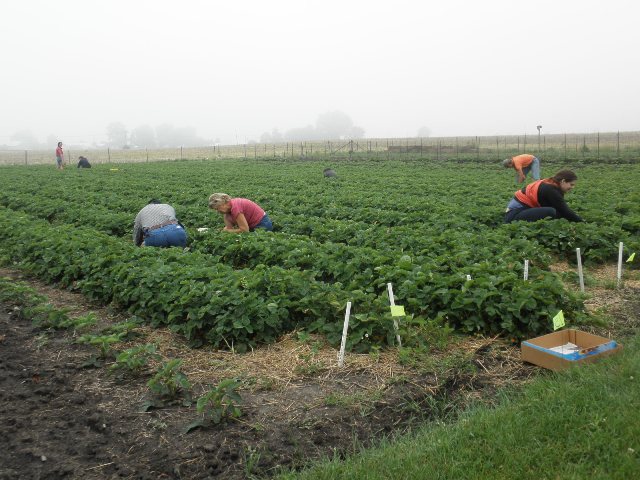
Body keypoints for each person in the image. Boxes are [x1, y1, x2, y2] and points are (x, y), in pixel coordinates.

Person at [504, 170, 583, 223]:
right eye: (571, 184)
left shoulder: (550, 183)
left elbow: (561, 209)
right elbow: (565, 211)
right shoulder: (551, 190)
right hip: (513, 216)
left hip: (518, 212)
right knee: (551, 211)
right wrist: (582, 222)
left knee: (555, 212)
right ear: (563, 181)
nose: (572, 187)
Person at [208, 193, 273, 233]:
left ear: (223, 203)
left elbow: (245, 230)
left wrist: (228, 231)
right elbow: (229, 228)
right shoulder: (226, 213)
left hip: (263, 224)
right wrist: (223, 231)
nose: (218, 211)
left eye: (218, 208)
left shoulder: (236, 208)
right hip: (252, 226)